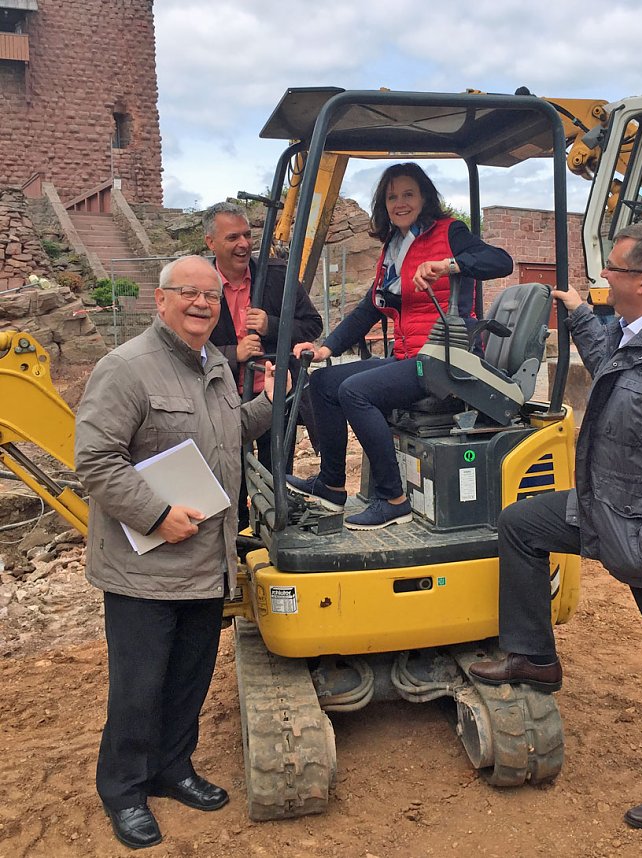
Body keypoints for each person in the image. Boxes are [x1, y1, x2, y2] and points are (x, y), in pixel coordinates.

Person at [469, 222, 642, 832]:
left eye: (611, 271)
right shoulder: (639, 331)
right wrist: (579, 317)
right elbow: (614, 368)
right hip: (606, 507)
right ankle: (534, 656)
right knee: (521, 525)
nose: (601, 280)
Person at [75, 256, 284, 850]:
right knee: (139, 686)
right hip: (145, 568)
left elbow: (230, 434)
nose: (201, 304)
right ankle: (124, 789)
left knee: (188, 680)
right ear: (160, 301)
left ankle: (173, 769)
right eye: (188, 293)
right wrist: (156, 515)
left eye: (211, 297)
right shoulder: (126, 369)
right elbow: (94, 461)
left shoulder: (214, 362)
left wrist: (270, 403)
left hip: (203, 561)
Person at [286, 162, 513, 529]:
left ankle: (393, 499)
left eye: (408, 194)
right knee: (323, 384)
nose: (400, 202)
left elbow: (500, 262)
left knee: (355, 392)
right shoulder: (394, 247)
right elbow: (370, 308)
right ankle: (330, 485)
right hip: (411, 358)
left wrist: (449, 265)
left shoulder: (449, 232)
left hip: (446, 361)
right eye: (392, 196)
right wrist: (327, 347)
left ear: (424, 197)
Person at [204, 201, 323, 528]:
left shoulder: (276, 277)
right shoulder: (199, 284)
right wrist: (233, 353)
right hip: (222, 399)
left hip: (274, 396)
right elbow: (184, 343)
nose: (243, 244)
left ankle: (273, 535)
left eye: (246, 235)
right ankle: (240, 539)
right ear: (211, 243)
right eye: (232, 238)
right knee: (232, 473)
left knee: (276, 473)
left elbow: (313, 324)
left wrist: (273, 324)